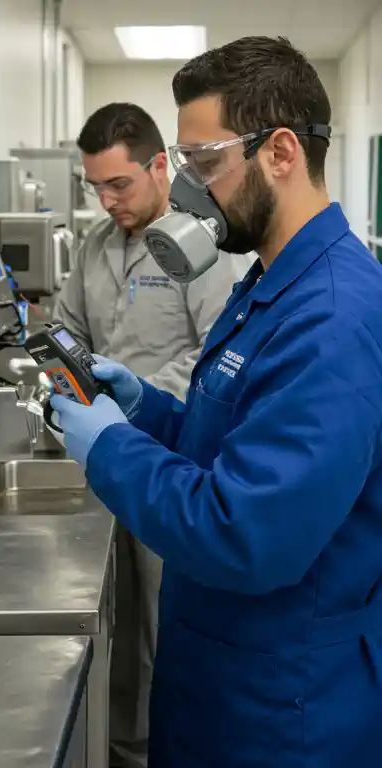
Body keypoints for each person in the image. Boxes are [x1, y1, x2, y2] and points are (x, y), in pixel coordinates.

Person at [50, 36, 382, 767]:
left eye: (205, 163)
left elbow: (245, 532)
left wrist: (108, 447)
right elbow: (232, 447)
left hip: (282, 709)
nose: (192, 189)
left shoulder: (331, 316)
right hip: (221, 681)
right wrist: (145, 412)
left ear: (281, 153)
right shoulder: (268, 280)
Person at [53, 102, 247, 768]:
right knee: (120, 625)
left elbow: (215, 356)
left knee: (169, 625)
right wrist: (71, 370)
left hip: (170, 459)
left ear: (160, 165)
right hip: (107, 457)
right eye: (96, 186)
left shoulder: (196, 247)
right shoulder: (95, 246)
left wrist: (133, 391)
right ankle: (125, 751)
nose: (108, 201)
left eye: (120, 184)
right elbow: (70, 329)